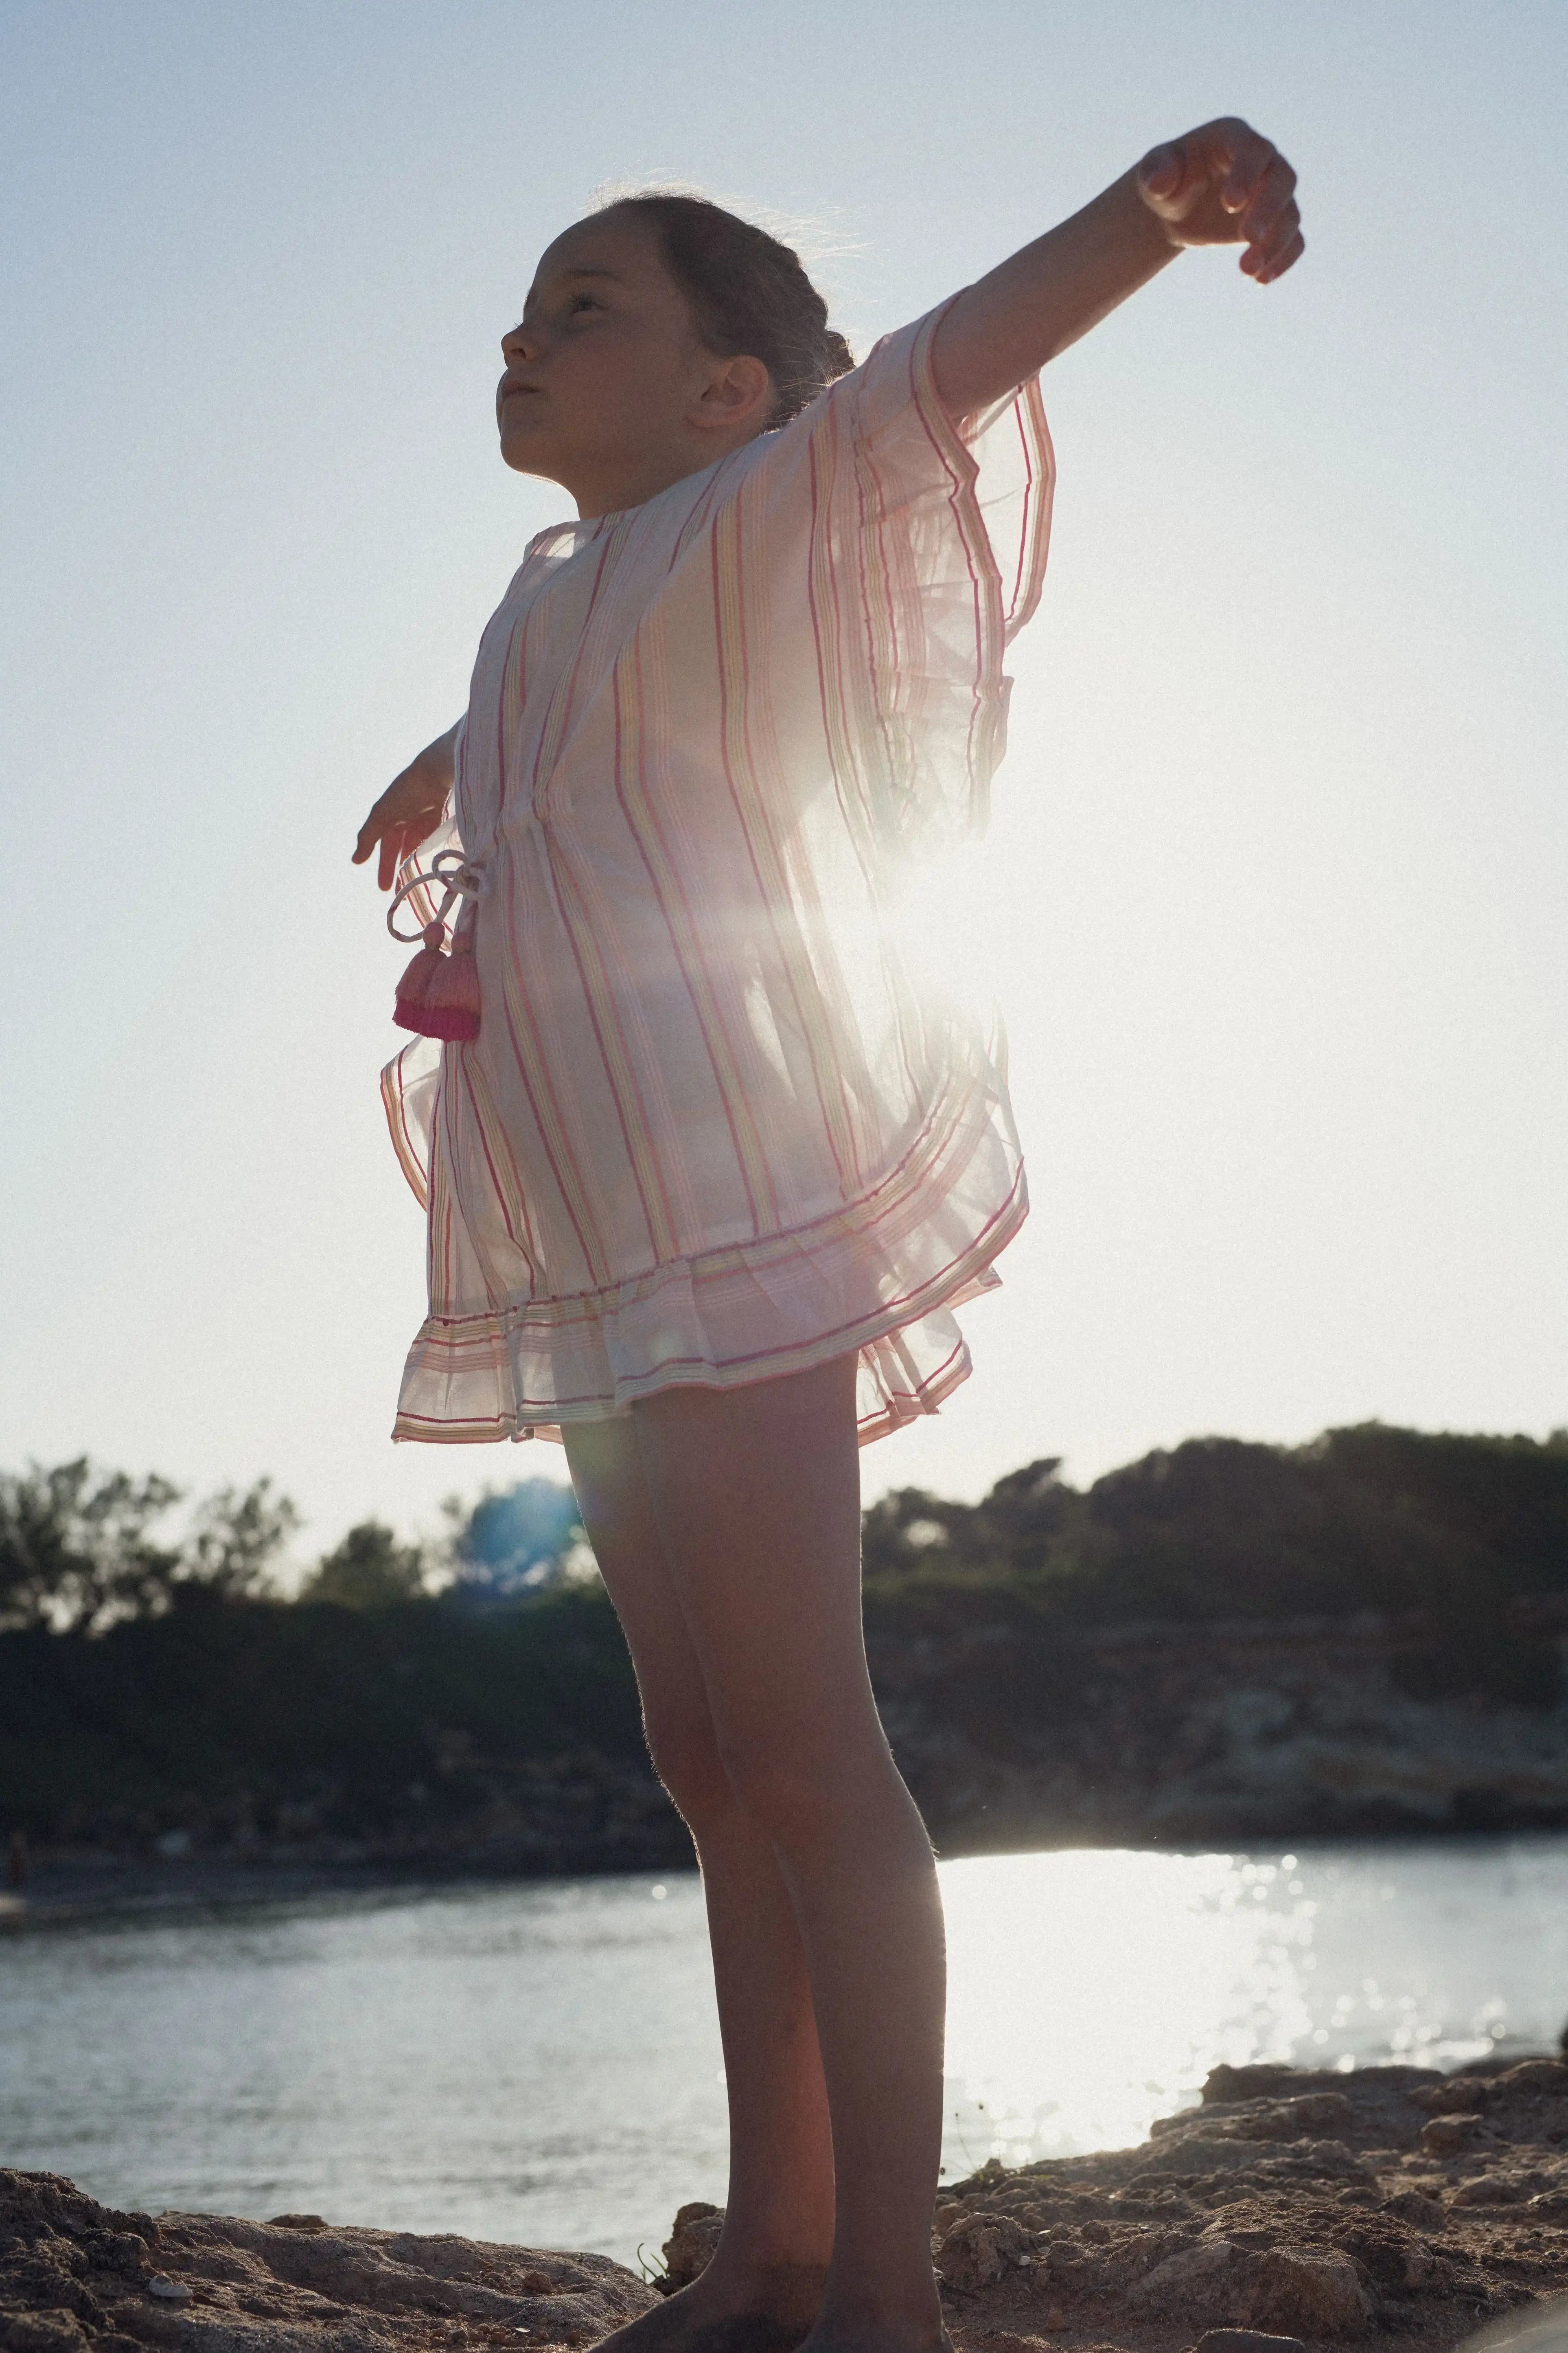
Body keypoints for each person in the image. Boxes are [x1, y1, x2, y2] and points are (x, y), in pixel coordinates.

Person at [353, 122, 1302, 2353]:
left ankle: (887, 2291)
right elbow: (574, 706)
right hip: (578, 1227)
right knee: (701, 1747)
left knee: (806, 1741)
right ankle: (771, 2241)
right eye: (524, 302)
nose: (528, 330)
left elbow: (943, 374)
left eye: (588, 301)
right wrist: (444, 756)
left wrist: (1149, 222)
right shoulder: (539, 589)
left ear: (728, 390)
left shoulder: (771, 502)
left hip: (739, 1200)